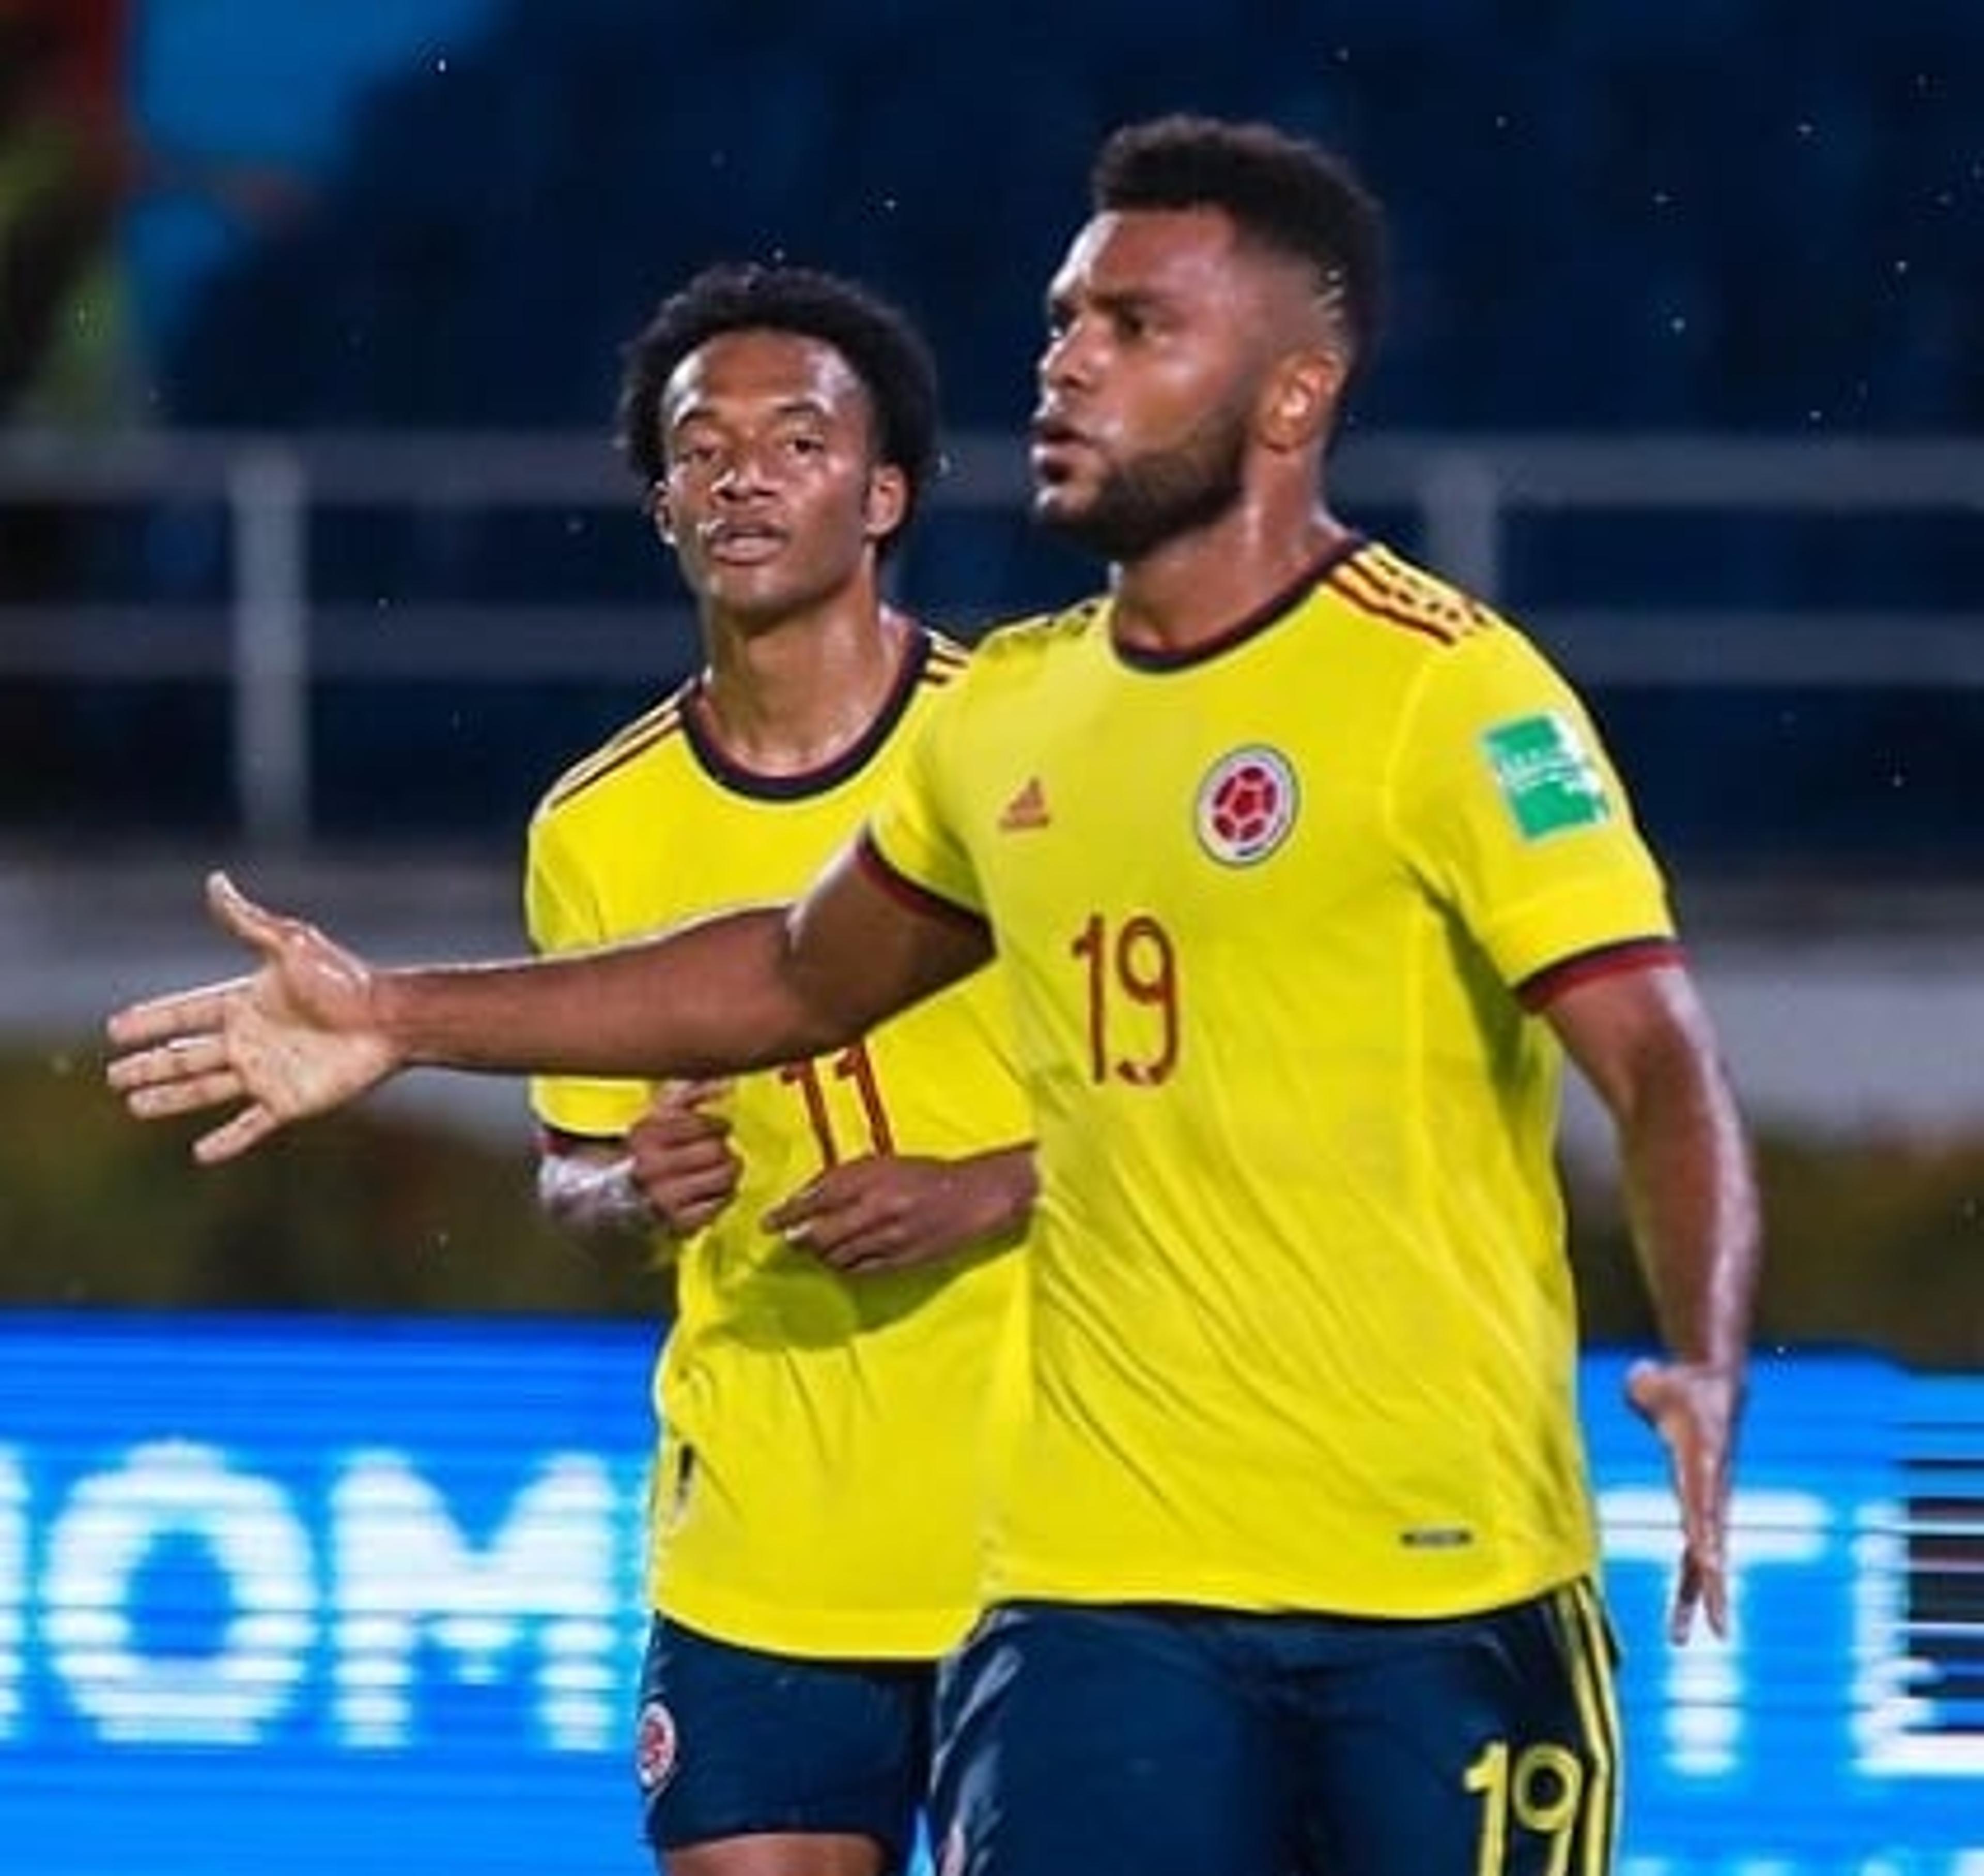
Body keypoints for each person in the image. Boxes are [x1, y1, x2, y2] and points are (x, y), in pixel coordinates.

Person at [106, 115, 1760, 1876]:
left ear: (1292, 399)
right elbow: (793, 974)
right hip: (1083, 1588)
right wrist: (400, 1017)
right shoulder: (1016, 722)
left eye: (1136, 327)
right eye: (1063, 318)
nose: (1065, 362)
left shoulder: (1449, 696)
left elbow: (1657, 1056)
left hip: (1441, 1574)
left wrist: (1710, 1353)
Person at [533, 262, 1037, 1876]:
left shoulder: (1028, 754)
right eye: (702, 447)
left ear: (885, 493)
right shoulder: (591, 828)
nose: (742, 473)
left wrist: (989, 1188)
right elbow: (569, 1168)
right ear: (661, 504)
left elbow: (1215, 1095)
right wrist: (628, 1186)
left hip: (1051, 1530)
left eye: (797, 439)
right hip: (758, 1542)